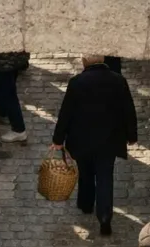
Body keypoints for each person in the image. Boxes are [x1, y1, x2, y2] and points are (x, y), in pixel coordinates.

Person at [51, 56, 138, 236]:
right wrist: (132, 136)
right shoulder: (118, 80)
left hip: (82, 138)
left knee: (86, 172)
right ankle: (105, 217)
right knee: (105, 177)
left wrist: (58, 139)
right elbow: (128, 110)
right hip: (109, 139)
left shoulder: (76, 82)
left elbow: (65, 112)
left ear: (84, 63)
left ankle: (86, 204)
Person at [0, 52, 30, 143]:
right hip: (13, 57)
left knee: (8, 94)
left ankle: (19, 129)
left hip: (4, 62)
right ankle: (2, 112)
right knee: (2, 87)